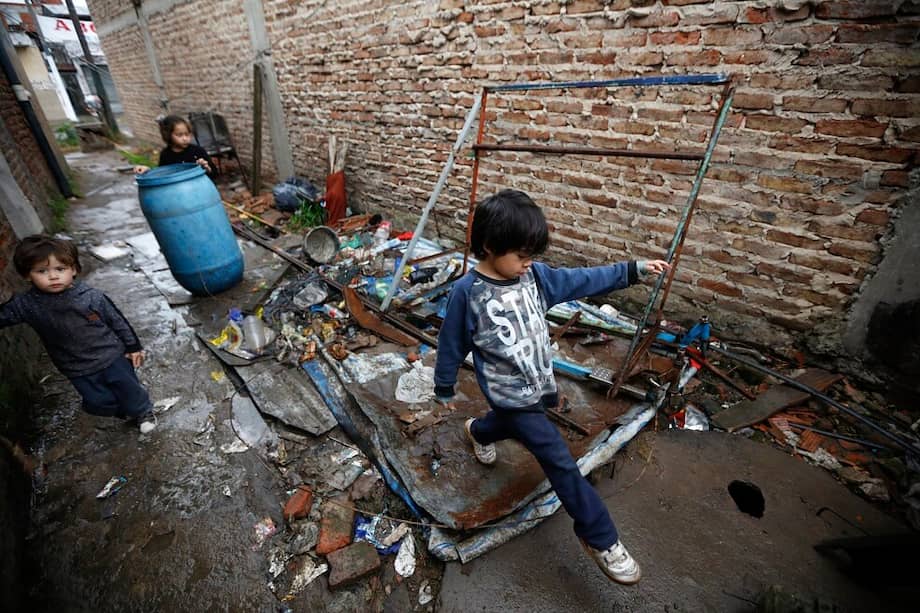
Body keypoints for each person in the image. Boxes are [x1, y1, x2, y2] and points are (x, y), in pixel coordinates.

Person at [434, 189, 669, 585]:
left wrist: (633, 270)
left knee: (509, 425)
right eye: (521, 255)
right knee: (558, 460)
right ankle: (600, 535)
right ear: (490, 246)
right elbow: (450, 343)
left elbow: (584, 279)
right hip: (510, 395)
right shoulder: (467, 293)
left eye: (532, 255)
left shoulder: (536, 278)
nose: (528, 263)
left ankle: (478, 430)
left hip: (538, 385)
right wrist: (444, 385)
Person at [0, 235, 157, 434]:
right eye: (42, 271)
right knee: (97, 401)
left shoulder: (90, 297)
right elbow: (5, 316)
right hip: (75, 366)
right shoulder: (27, 305)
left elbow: (117, 321)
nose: (53, 276)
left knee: (129, 390)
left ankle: (143, 412)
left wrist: (133, 347)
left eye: (60, 269)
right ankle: (124, 411)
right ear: (27, 275)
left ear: (73, 269)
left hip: (111, 356)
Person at [134, 115, 213, 176]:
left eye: (187, 134)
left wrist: (206, 168)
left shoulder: (198, 151)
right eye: (179, 135)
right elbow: (162, 175)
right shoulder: (166, 155)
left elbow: (214, 174)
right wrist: (148, 171)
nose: (185, 138)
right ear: (168, 135)